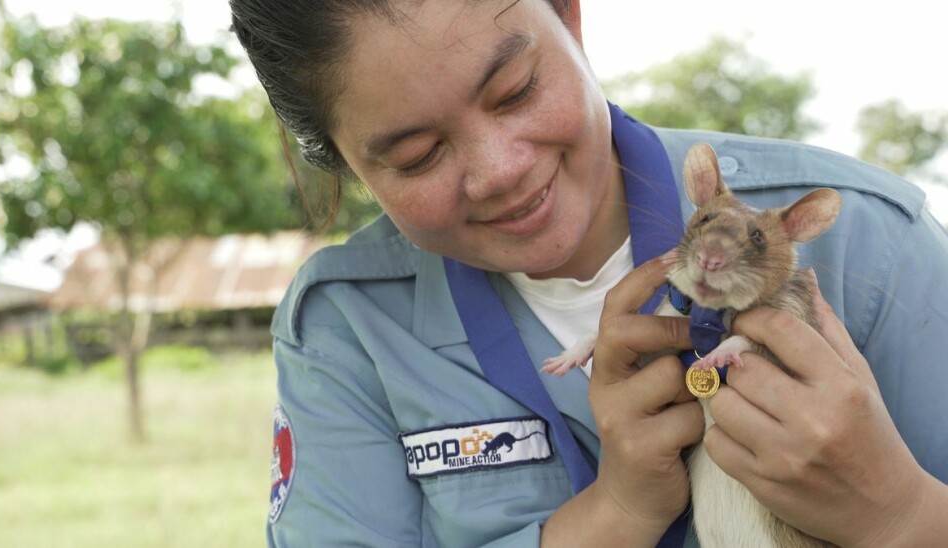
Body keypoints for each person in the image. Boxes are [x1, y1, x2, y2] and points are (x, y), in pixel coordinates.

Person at [229, 0, 948, 546]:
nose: (501, 171)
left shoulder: (870, 242)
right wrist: (618, 512)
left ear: (570, 15)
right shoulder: (346, 323)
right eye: (418, 155)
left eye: (514, 90)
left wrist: (901, 512)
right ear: (340, 161)